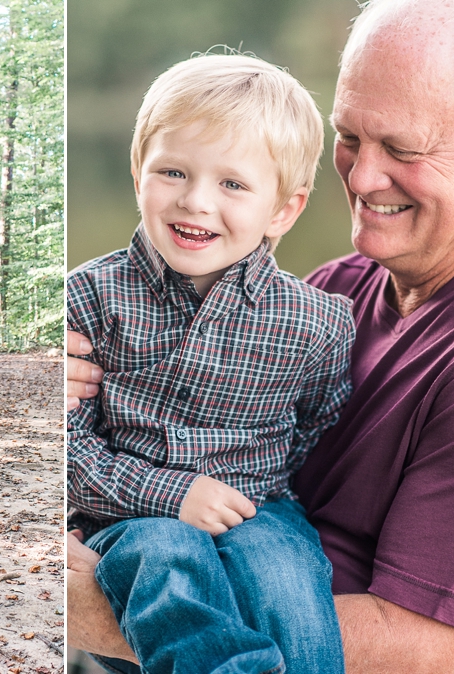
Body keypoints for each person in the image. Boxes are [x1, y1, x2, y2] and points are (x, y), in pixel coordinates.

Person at [66, 0, 454, 671]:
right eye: (350, 137)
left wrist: (85, 608)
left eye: (401, 148)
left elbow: (415, 649)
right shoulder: (338, 289)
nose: (361, 179)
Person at [67, 53, 354, 674]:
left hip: (258, 505)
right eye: (173, 171)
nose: (196, 201)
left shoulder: (317, 322)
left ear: (283, 209)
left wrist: (244, 489)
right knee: (167, 561)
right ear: (137, 173)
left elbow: (313, 431)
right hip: (130, 511)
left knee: (287, 579)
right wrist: (173, 492)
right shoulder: (89, 297)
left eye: (233, 184)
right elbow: (66, 447)